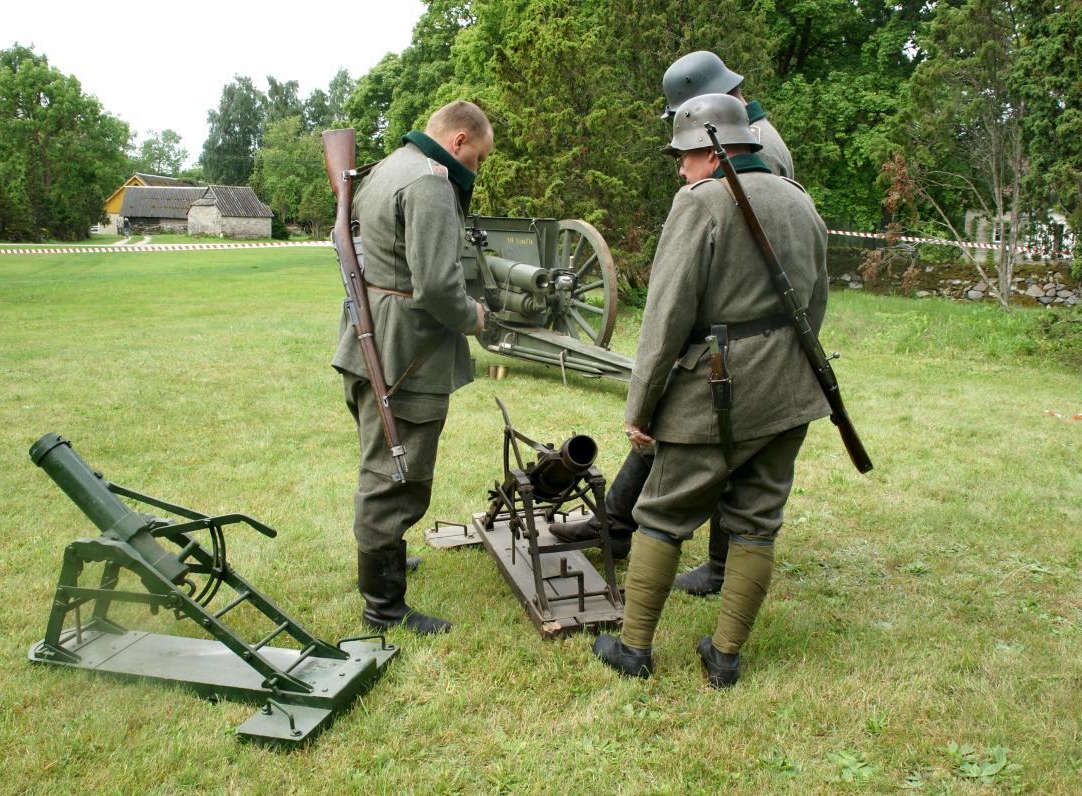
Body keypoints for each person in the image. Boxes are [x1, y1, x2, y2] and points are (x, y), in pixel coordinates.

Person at [590, 93, 828, 687]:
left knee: (662, 515)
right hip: (792, 390)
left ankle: (634, 648)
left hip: (715, 392)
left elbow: (665, 317)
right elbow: (815, 303)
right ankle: (724, 658)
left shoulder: (700, 204)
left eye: (683, 156)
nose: (680, 168)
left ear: (709, 149)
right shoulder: (801, 202)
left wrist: (640, 407)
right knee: (756, 521)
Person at [548, 50, 795, 598]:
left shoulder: (758, 147)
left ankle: (713, 561)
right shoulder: (751, 133)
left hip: (726, 329)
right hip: (722, 323)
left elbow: (749, 244)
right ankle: (617, 523)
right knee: (665, 429)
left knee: (717, 442)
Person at [331, 100, 493, 635]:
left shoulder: (384, 169)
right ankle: (383, 607)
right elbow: (439, 286)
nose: (477, 169)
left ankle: (387, 561)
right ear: (459, 140)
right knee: (396, 475)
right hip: (403, 353)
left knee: (382, 460)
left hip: (368, 338)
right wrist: (474, 317)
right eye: (480, 158)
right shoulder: (429, 182)